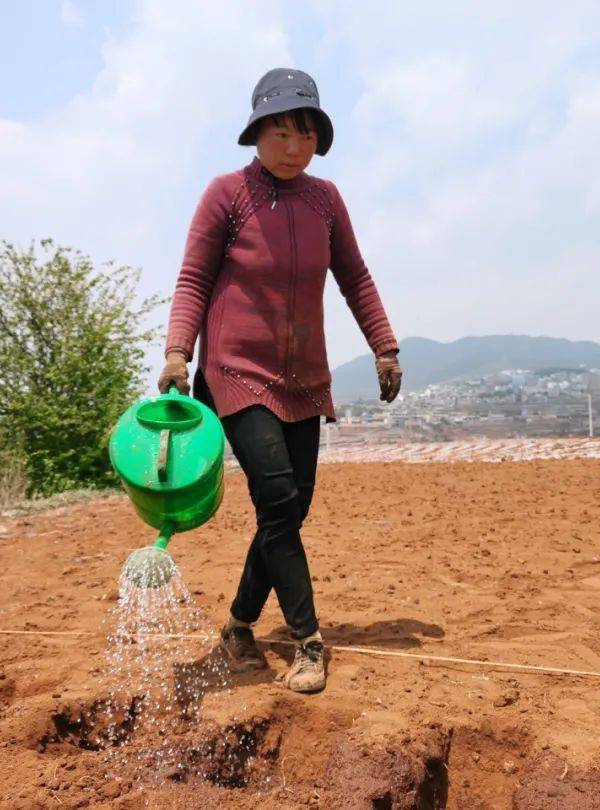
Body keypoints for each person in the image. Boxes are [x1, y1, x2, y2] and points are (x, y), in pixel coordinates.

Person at [158, 68, 402, 693]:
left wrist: (385, 347)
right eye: (283, 132)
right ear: (257, 132)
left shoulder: (325, 200)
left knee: (291, 508)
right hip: (236, 372)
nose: (296, 146)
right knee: (277, 499)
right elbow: (192, 281)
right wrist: (177, 354)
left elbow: (356, 278)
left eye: (308, 133)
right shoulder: (226, 195)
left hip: (304, 376)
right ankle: (308, 640)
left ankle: (239, 623)